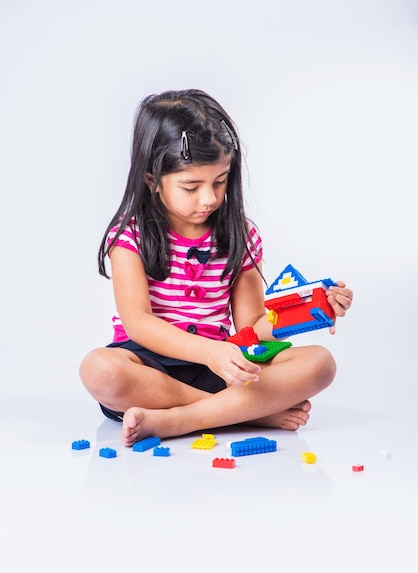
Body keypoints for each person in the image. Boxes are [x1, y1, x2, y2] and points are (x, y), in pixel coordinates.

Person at [79, 89, 353, 447]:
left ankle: (181, 419)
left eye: (219, 181)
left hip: (221, 364)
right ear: (152, 180)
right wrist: (209, 353)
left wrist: (309, 312)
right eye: (191, 186)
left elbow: (252, 328)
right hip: (149, 369)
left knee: (320, 363)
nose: (209, 198)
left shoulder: (239, 233)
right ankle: (245, 413)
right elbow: (139, 323)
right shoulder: (129, 234)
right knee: (100, 370)